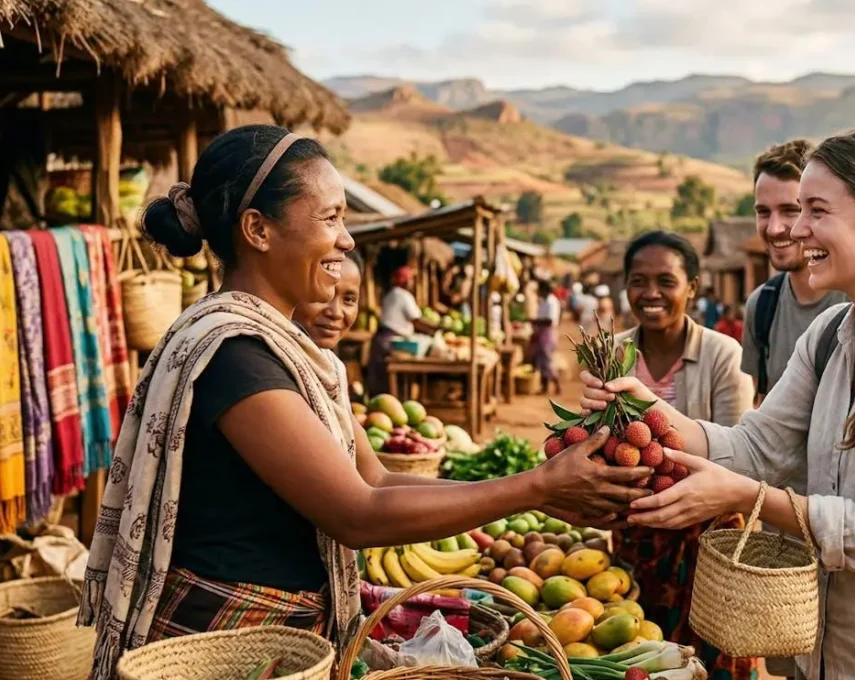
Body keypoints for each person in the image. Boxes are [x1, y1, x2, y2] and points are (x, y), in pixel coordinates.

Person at [78, 125, 651, 680]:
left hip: (282, 638)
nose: (347, 240)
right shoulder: (235, 356)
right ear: (257, 229)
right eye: (330, 218)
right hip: (229, 648)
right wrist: (536, 488)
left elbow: (375, 479)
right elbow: (357, 513)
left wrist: (536, 489)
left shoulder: (290, 352)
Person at [581, 130, 855, 679]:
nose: (795, 228)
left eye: (817, 210)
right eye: (796, 209)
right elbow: (756, 446)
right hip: (826, 652)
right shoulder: (831, 334)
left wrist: (748, 496)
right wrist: (647, 409)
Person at [612, 231, 756, 680]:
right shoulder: (613, 353)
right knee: (641, 652)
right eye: (638, 281)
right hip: (637, 531)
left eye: (666, 281)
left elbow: (737, 451)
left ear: (692, 287)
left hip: (709, 532)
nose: (651, 294)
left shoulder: (723, 354)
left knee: (719, 651)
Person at [743, 139, 849, 397]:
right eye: (763, 212)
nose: (774, 228)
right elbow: (762, 406)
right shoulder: (762, 306)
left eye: (790, 210)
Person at [364, 264, 433, 396]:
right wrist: (435, 328)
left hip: (380, 340)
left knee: (379, 381)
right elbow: (416, 320)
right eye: (410, 279)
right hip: (392, 342)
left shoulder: (390, 295)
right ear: (406, 281)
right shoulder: (403, 296)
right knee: (390, 384)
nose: (412, 283)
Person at [295, 250, 364, 349]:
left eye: (348, 300)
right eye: (322, 295)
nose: (336, 313)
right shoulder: (272, 355)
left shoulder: (328, 359)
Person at [530, 277, 563, 395]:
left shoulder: (551, 302)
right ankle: (544, 387)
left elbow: (550, 320)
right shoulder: (544, 301)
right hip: (542, 332)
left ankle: (557, 384)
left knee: (547, 360)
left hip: (548, 333)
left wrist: (535, 321)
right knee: (541, 360)